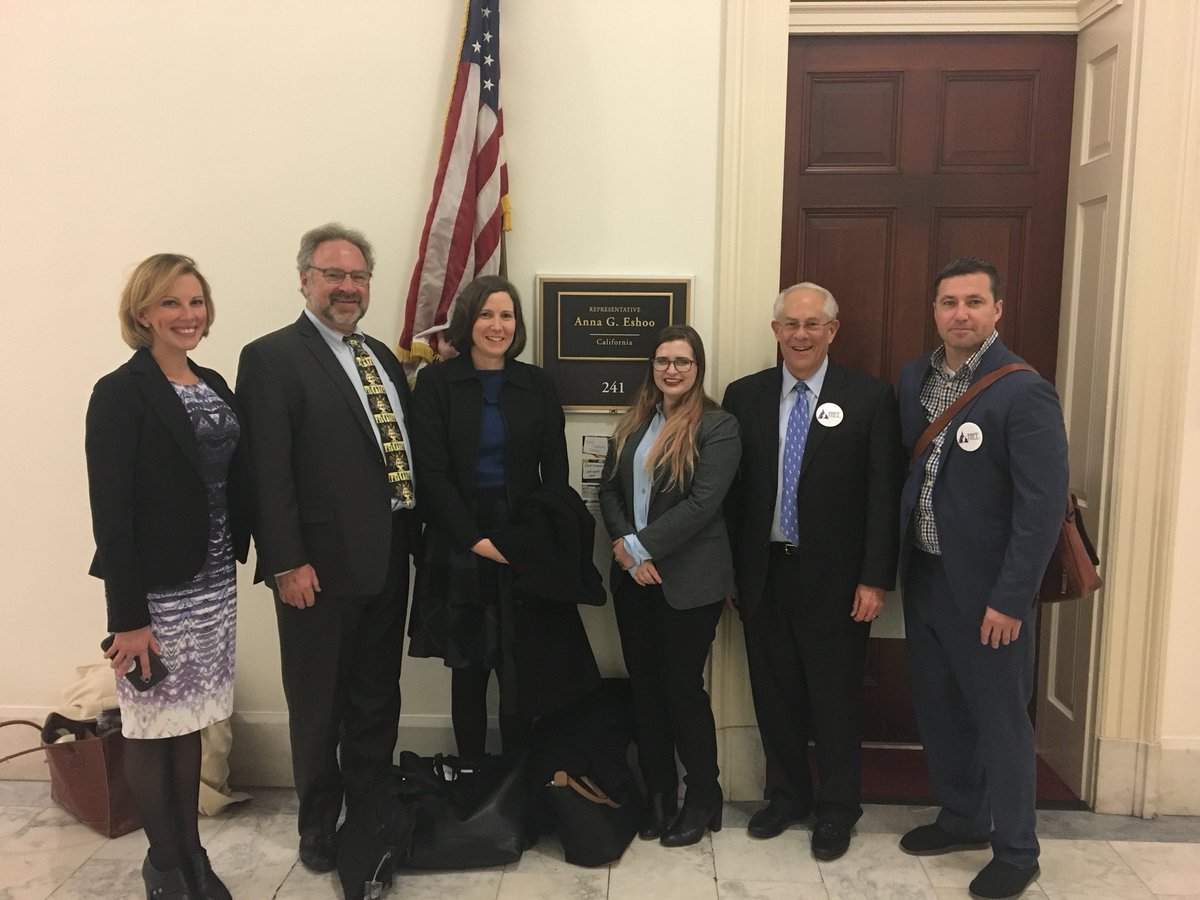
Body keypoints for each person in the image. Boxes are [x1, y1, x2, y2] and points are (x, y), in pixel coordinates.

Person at [235, 223, 417, 874]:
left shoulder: (382, 359)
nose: (348, 287)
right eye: (334, 274)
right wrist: (284, 560)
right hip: (314, 567)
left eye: (358, 276)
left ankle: (368, 814)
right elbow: (267, 471)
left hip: (389, 556)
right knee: (318, 705)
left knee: (376, 697)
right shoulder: (272, 357)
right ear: (305, 279)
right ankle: (317, 825)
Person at [897, 257, 1068, 900]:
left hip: (992, 593)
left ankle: (1018, 849)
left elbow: (1041, 508)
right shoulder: (916, 376)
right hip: (929, 577)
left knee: (1000, 720)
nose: (960, 314)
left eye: (973, 302)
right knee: (940, 710)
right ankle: (962, 817)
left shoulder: (1023, 390)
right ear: (934, 311)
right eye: (948, 302)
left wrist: (1012, 597)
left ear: (998, 310)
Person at [86, 253, 250, 900]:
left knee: (189, 723)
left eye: (196, 302)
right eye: (171, 304)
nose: (187, 316)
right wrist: (126, 618)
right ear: (142, 312)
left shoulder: (211, 381)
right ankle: (164, 864)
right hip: (156, 593)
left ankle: (192, 855)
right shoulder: (120, 393)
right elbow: (112, 512)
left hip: (212, 583)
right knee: (152, 727)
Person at [722, 283, 903, 861]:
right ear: (775, 331)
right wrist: (730, 572)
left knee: (835, 697)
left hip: (839, 581)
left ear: (833, 329)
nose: (800, 334)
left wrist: (874, 578)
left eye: (812, 324)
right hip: (763, 573)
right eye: (790, 324)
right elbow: (731, 494)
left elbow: (883, 495)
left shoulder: (871, 398)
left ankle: (837, 809)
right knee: (773, 695)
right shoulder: (743, 396)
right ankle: (790, 797)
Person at [408, 274, 599, 758]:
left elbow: (556, 474)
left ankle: (518, 778)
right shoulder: (436, 382)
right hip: (458, 538)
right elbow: (429, 472)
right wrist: (473, 539)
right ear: (468, 319)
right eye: (488, 314)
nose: (498, 325)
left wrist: (522, 541)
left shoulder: (537, 384)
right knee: (468, 668)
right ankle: (472, 776)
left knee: (521, 665)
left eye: (507, 315)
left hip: (524, 539)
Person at [599, 325, 742, 847]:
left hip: (689, 582)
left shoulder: (718, 426)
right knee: (646, 690)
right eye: (663, 361)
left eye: (683, 361)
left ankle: (704, 796)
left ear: (697, 368)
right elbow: (608, 488)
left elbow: (703, 505)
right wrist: (623, 544)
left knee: (682, 690)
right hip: (633, 578)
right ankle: (659, 796)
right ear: (652, 367)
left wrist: (640, 547)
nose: (672, 370)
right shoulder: (635, 422)